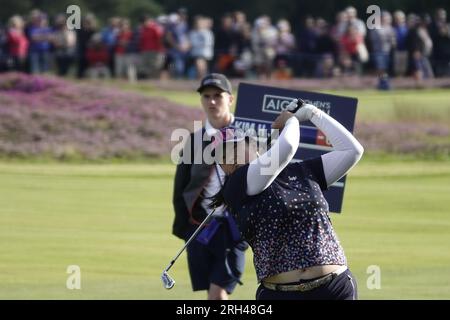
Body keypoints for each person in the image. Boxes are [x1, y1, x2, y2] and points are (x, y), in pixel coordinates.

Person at [210, 100, 364, 300]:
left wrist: (312, 113)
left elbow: (352, 151)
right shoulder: (237, 186)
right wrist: (291, 120)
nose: (227, 159)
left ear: (254, 146)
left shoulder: (302, 170)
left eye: (231, 148)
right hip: (280, 294)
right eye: (220, 157)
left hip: (334, 288)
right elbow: (288, 146)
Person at [172, 73, 247, 300]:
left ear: (230, 99)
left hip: (235, 228)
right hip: (200, 227)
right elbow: (181, 187)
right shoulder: (193, 140)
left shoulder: (250, 136)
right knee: (211, 292)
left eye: (218, 96)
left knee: (218, 293)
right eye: (206, 96)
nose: (212, 101)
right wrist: (184, 227)